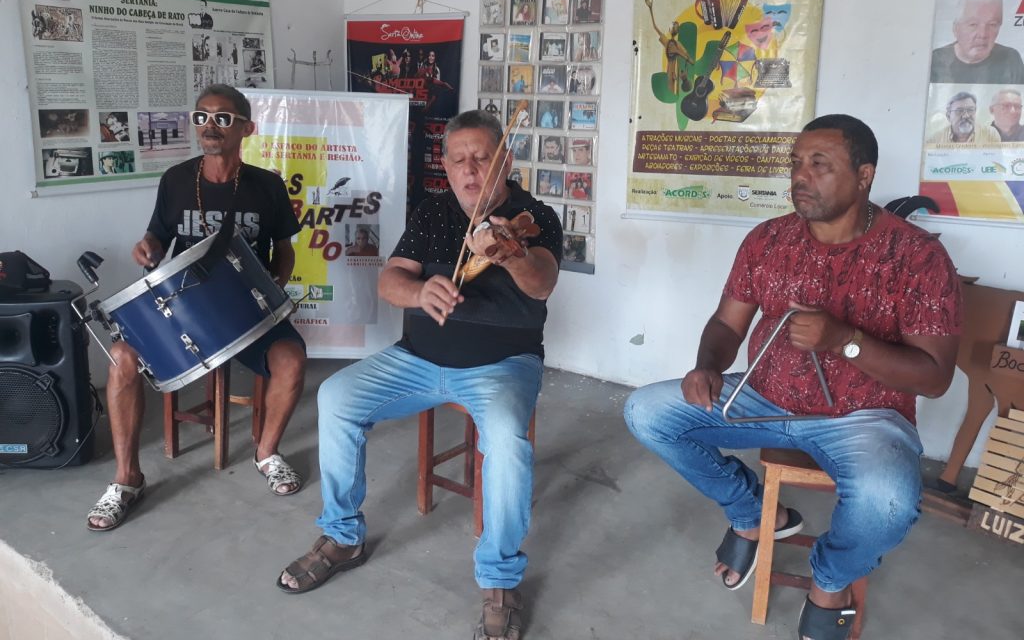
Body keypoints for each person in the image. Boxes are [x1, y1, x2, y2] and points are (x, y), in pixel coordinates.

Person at [624, 114, 961, 640]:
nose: (801, 176)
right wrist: (708, 365)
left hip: (863, 418)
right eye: (797, 163)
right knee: (646, 412)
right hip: (762, 397)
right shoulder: (768, 239)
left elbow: (935, 377)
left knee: (889, 502)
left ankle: (830, 581)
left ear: (865, 175)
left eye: (820, 165)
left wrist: (844, 339)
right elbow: (726, 324)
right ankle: (754, 515)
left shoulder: (917, 257)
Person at [277, 109, 562, 640]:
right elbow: (390, 279)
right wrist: (418, 291)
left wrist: (510, 255)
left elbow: (541, 283)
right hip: (417, 359)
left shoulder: (536, 216)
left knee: (506, 439)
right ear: (446, 166)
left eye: (482, 158)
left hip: (501, 365)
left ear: (506, 160)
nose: (470, 170)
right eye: (459, 160)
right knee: (336, 396)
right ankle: (343, 536)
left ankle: (499, 580)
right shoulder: (434, 212)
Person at [85, 84, 307, 532]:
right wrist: (148, 247)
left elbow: (284, 250)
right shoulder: (175, 180)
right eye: (201, 116)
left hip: (248, 313)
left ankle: (266, 453)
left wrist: (272, 290)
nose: (209, 126)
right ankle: (127, 479)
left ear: (246, 129)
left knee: (292, 360)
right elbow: (157, 238)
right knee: (121, 358)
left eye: (223, 118)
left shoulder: (267, 186)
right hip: (181, 315)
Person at [930, 0, 1024, 83]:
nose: (983, 34)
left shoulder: (1010, 59)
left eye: (992, 24)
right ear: (956, 28)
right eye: (973, 24)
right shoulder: (937, 59)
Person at [644, 0, 694, 94]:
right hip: (670, 71)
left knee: (673, 90)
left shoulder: (676, 44)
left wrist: (681, 54)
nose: (673, 28)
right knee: (669, 89)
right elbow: (655, 27)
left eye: (675, 27)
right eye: (672, 26)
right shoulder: (667, 42)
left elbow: (690, 59)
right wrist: (650, 9)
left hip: (675, 71)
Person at [927, 91, 1000, 144]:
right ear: (948, 116)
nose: (966, 116)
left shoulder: (990, 134)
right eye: (959, 111)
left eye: (970, 110)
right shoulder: (936, 139)